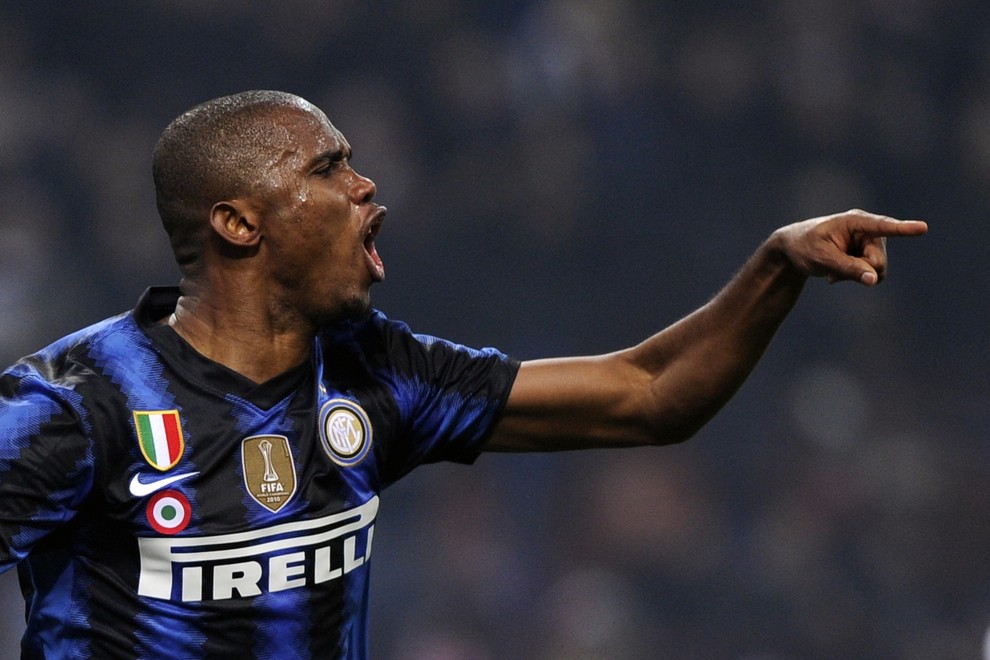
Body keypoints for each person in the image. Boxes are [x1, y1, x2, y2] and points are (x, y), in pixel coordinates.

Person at [0, 90, 927, 659]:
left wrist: (775, 268)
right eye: (329, 168)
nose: (366, 186)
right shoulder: (76, 403)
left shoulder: (374, 371)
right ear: (240, 224)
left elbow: (650, 395)